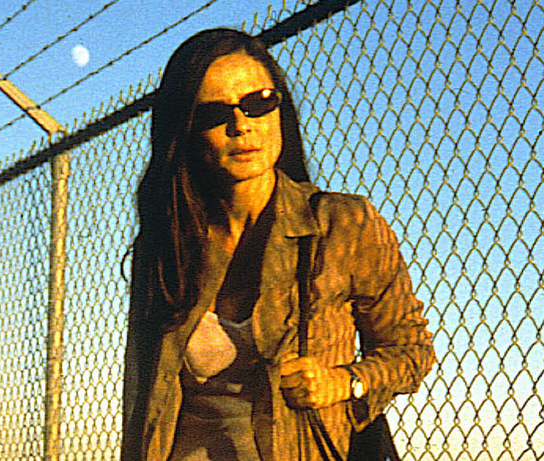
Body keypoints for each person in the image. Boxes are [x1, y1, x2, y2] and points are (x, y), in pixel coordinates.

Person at [122, 28, 436, 461]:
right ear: (187, 128)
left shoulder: (341, 224)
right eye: (214, 112)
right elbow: (142, 397)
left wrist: (343, 382)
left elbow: (411, 351)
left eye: (259, 102)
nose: (241, 125)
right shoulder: (167, 244)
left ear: (280, 110)